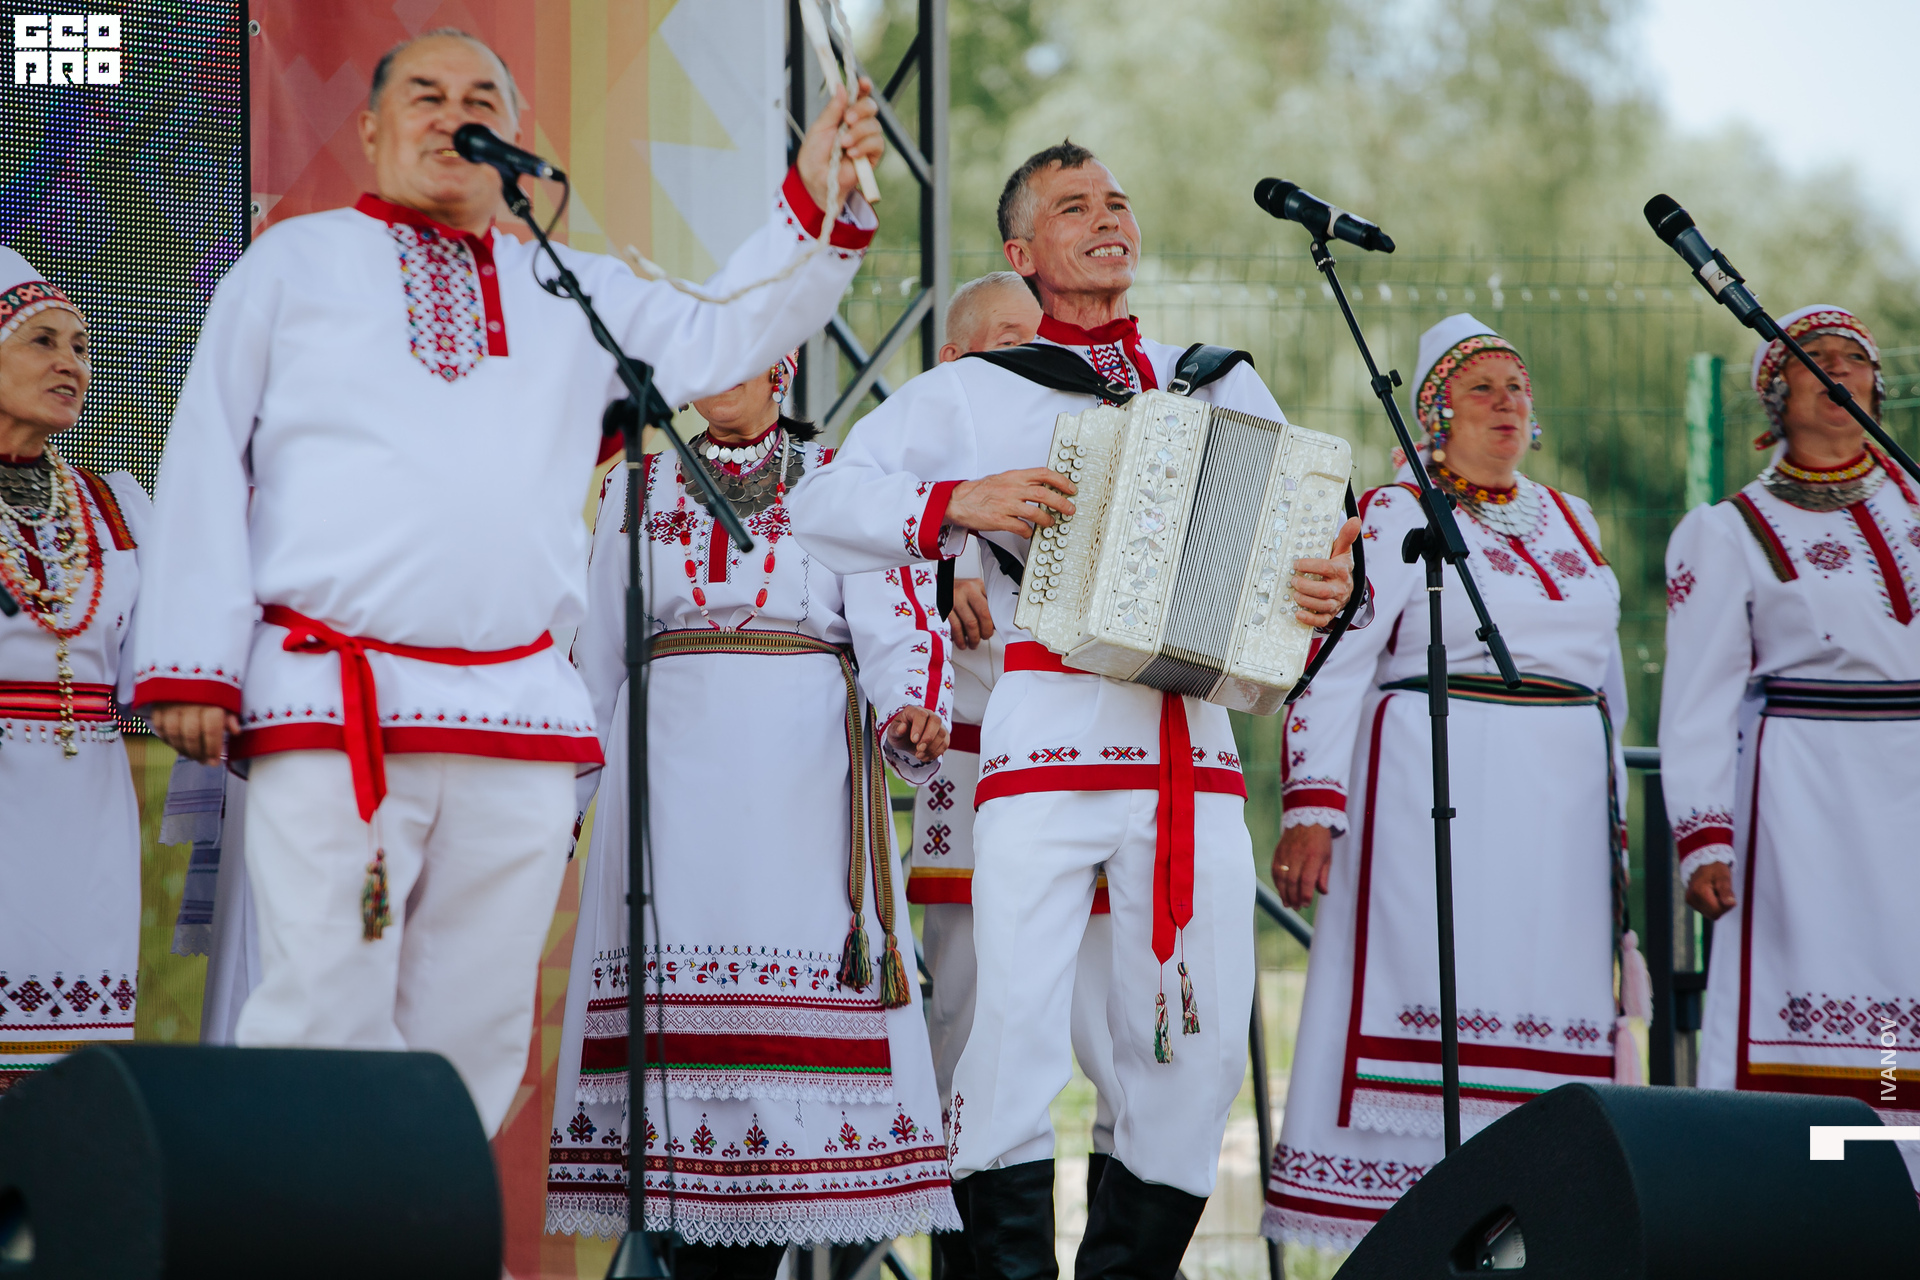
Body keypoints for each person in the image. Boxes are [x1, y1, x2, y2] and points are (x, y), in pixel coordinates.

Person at [130, 28, 885, 1136]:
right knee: (322, 1005)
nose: (454, 114)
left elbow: (721, 331)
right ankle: (309, 1218)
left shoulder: (562, 284)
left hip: (515, 712)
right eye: (425, 95)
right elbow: (206, 452)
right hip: (336, 702)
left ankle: (419, 1218)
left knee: (475, 1032)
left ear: (515, 138)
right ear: (372, 130)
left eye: (480, 97)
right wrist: (193, 659)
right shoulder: (295, 263)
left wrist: (813, 197)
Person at [787, 141, 1359, 1280]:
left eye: (1117, 202)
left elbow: (1302, 544)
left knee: (1198, 1056)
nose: (1107, 219)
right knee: (1009, 1036)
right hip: (1046, 737)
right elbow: (821, 502)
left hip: (1191, 748)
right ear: (1022, 252)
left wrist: (1322, 586)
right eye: (1072, 206)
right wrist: (959, 501)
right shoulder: (974, 391)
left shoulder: (1215, 380)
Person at [545, 354, 958, 1273]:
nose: (714, 374)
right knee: (674, 1081)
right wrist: (552, 817)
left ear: (782, 365)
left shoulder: (841, 480)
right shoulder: (634, 490)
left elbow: (896, 623)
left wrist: (911, 710)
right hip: (665, 799)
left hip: (796, 795)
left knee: (781, 1090)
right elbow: (594, 665)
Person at [1258, 314, 1633, 1251]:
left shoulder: (1575, 519)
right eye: (1481, 389)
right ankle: (1410, 1237)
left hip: (1561, 817)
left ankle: (1533, 1228)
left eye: (1518, 387)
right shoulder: (1398, 514)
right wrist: (1313, 805)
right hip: (1435, 801)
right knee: (1431, 1002)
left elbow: (1608, 685)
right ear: (1435, 415)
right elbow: (1335, 663)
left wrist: (1617, 819)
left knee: (1549, 1025)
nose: (1508, 403)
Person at [1659, 305, 1920, 1187]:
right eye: (1816, 360)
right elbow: (1697, 698)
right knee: (1819, 993)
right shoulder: (1729, 532)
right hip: (1808, 801)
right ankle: (1815, 1188)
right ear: (1776, 394)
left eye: (1856, 358)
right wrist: (1703, 834)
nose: (1839, 371)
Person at [908, 273, 1126, 1277]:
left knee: (1114, 1026)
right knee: (973, 1015)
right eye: (1007, 341)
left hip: (1092, 770)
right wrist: (948, 553)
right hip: (972, 762)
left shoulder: (1090, 457)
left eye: (1041, 340)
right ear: (953, 365)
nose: (1033, 358)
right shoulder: (911, 475)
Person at [0, 246, 150, 1091]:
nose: (72, 364)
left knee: (65, 1092)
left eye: (83, 347)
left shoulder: (115, 507)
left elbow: (165, 668)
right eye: (42, 341)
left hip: (86, 813)